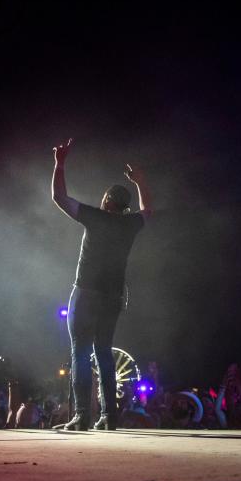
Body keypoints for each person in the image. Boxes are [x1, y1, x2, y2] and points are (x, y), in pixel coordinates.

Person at [51, 138, 150, 431]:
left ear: (106, 201)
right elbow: (148, 211)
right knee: (104, 352)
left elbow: (59, 197)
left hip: (86, 294)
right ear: (124, 206)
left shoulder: (95, 217)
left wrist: (59, 163)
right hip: (113, 297)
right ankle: (110, 418)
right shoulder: (130, 224)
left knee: (80, 352)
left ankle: (82, 416)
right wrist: (141, 182)